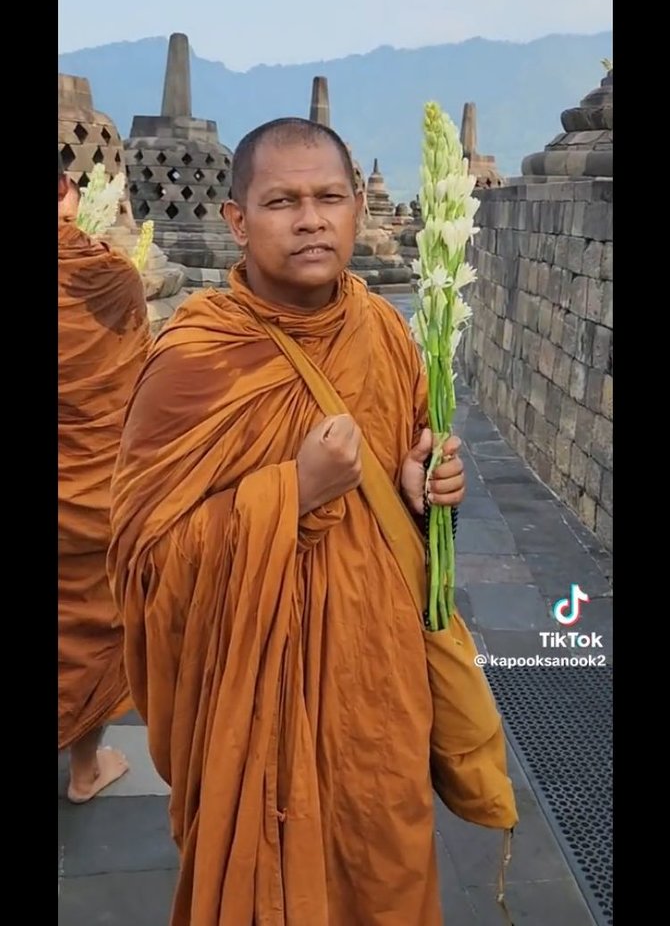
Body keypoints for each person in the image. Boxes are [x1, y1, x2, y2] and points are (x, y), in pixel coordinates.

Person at [108, 119, 517, 925]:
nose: (310, 219)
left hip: (377, 684)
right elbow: (142, 566)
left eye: (329, 197)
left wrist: (423, 491)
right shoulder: (195, 361)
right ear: (237, 220)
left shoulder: (388, 337)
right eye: (282, 201)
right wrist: (291, 491)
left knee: (386, 864)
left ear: (358, 206)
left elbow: (405, 503)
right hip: (255, 692)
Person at [58, 165, 151, 801]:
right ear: (69, 193)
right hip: (90, 486)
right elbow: (139, 387)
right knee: (90, 626)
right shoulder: (112, 277)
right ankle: (85, 770)